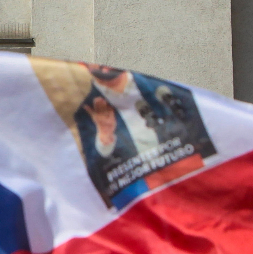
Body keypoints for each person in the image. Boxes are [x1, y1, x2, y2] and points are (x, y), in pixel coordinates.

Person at [73, 62, 214, 208]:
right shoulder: (86, 114)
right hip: (147, 206)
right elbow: (98, 178)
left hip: (197, 185)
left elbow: (205, 132)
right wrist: (104, 136)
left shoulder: (163, 83)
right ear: (84, 63)